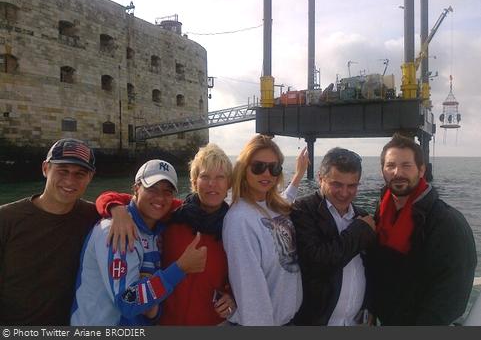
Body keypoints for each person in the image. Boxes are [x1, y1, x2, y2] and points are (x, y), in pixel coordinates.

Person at [94, 143, 237, 325]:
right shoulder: (174, 213)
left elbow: (241, 275)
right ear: (194, 182)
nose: (212, 184)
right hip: (165, 322)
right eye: (205, 176)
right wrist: (117, 209)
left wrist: (231, 297)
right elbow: (133, 201)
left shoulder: (234, 227)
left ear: (229, 184)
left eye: (220, 177)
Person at [71, 159, 207, 325]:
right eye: (152, 188)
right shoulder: (114, 230)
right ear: (136, 188)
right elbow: (128, 303)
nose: (160, 197)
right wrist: (180, 268)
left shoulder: (156, 230)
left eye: (167, 191)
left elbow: (149, 306)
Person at [367, 133, 477, 325]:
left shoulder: (446, 222)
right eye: (390, 166)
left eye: (406, 165)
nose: (397, 172)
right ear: (382, 170)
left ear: (421, 170)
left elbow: (451, 294)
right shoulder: (382, 214)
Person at [0, 138, 98, 325]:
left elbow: (137, 205)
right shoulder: (6, 219)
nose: (70, 181)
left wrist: (116, 209)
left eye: (80, 174)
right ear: (45, 168)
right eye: (62, 171)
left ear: (90, 177)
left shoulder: (94, 216)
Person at [222, 134, 308, 326]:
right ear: (244, 169)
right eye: (258, 167)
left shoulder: (272, 205)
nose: (267, 174)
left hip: (289, 319)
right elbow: (250, 290)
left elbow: (286, 199)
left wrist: (298, 175)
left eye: (274, 168)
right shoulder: (239, 220)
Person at [291, 147, 377, 326]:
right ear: (320, 179)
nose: (345, 193)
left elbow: (371, 268)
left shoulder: (361, 216)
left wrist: (369, 307)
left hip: (355, 322)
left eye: (352, 186)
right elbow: (317, 261)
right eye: (337, 184)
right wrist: (359, 231)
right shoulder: (303, 210)